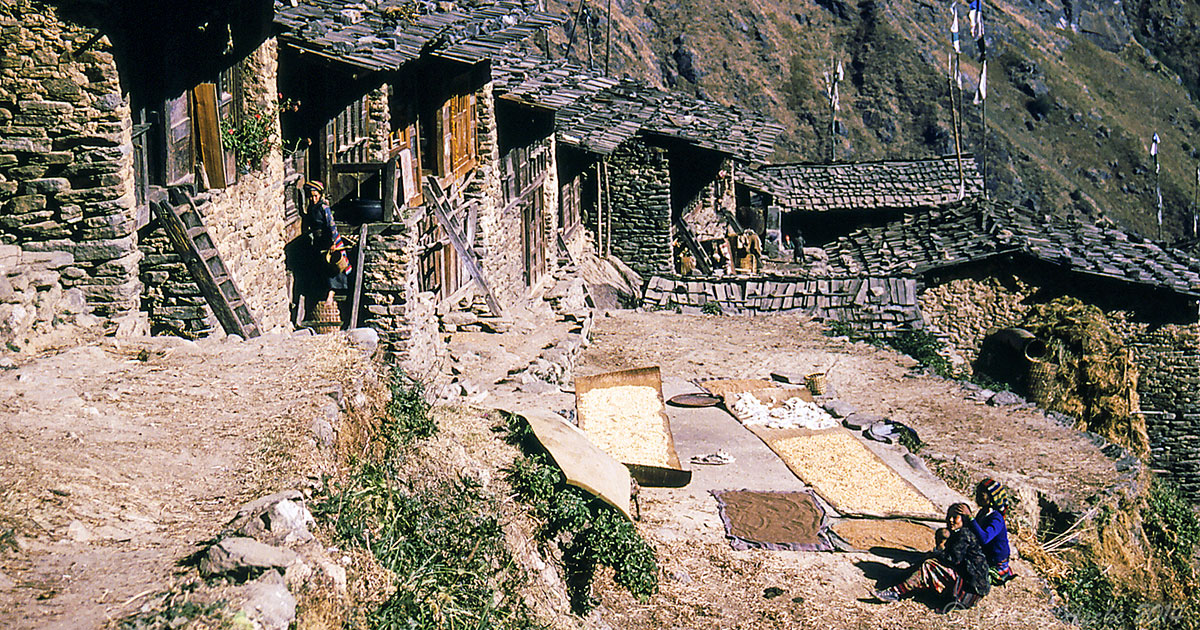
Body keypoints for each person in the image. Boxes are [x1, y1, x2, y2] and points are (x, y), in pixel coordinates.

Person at [876, 503, 991, 606]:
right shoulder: (957, 533)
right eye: (949, 517)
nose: (950, 520)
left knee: (929, 565)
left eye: (955, 517)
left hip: (970, 589)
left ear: (963, 519)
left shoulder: (964, 534)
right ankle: (902, 578)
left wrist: (939, 550)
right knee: (929, 559)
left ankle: (897, 592)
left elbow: (953, 560)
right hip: (968, 585)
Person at [954, 478, 1017, 585]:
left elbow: (985, 538)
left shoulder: (996, 519)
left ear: (991, 497)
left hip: (995, 562)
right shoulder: (982, 513)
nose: (978, 498)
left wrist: (970, 517)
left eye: (981, 495)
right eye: (977, 494)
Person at [301, 180, 351, 308]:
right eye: (311, 196)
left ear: (320, 195)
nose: (313, 198)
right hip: (319, 241)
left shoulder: (324, 208)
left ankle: (331, 293)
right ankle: (324, 291)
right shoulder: (311, 208)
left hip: (329, 240)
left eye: (315, 196)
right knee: (322, 266)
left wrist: (333, 242)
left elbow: (331, 225)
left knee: (333, 266)